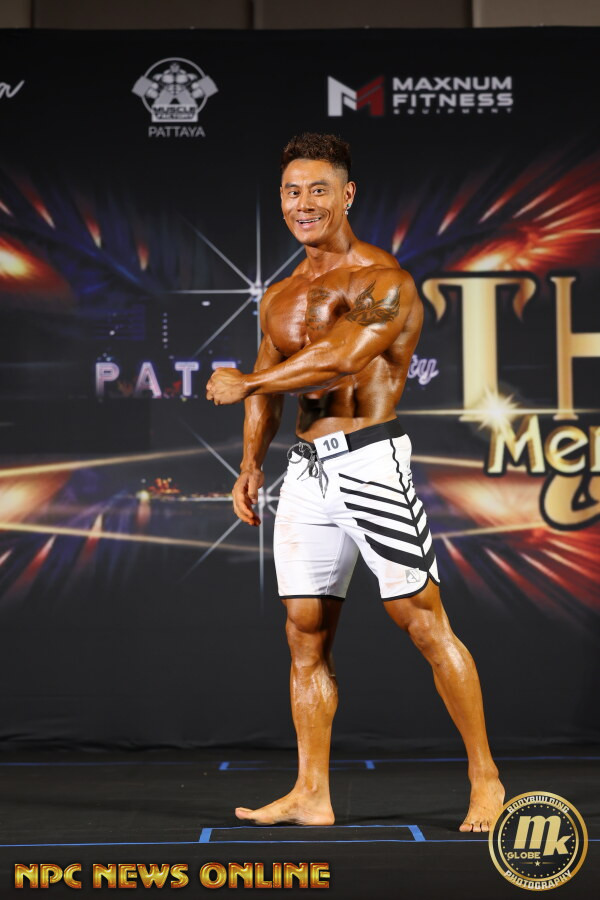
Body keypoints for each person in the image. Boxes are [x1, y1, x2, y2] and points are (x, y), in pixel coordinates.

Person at [206, 133, 504, 832]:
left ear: (347, 195)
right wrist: (250, 464)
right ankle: (312, 792)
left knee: (423, 622)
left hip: (371, 461)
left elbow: (340, 359)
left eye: (318, 190)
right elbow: (267, 391)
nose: (303, 204)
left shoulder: (385, 282)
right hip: (304, 473)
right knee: (303, 634)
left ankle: (486, 779)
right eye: (291, 191)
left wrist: (247, 380)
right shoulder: (279, 295)